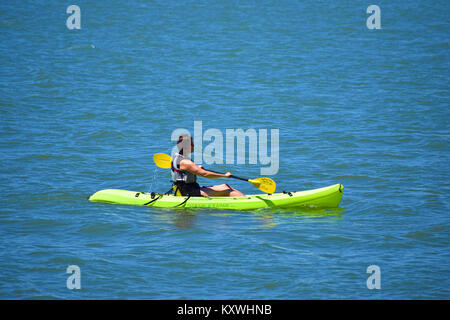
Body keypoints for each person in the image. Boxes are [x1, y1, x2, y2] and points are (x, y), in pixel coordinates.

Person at [171, 135, 245, 197]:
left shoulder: (177, 158)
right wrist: (224, 175)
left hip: (185, 190)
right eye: (192, 144)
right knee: (227, 190)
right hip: (191, 193)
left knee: (226, 186)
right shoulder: (186, 162)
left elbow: (183, 171)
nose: (194, 146)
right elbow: (205, 174)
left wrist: (196, 168)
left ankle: (244, 199)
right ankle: (247, 202)